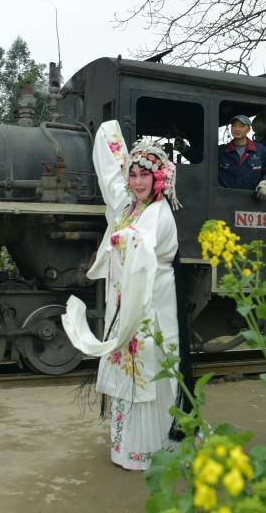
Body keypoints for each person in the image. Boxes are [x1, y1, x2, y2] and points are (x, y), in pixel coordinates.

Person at [61, 120, 184, 471]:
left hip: (150, 309)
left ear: (158, 179)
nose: (138, 181)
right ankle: (126, 446)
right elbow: (110, 177)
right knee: (126, 371)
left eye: (145, 174)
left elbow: (142, 246)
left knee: (149, 369)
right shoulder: (128, 209)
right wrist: (110, 134)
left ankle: (150, 448)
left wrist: (123, 240)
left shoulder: (160, 213)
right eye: (133, 174)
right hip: (123, 305)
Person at [217, 114, 266, 199]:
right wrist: (189, 150)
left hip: (252, 201)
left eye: (241, 126)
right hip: (225, 199)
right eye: (234, 126)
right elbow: (201, 161)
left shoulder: (260, 150)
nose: (237, 129)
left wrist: (265, 183)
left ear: (248, 129)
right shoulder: (221, 151)